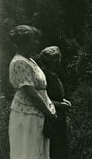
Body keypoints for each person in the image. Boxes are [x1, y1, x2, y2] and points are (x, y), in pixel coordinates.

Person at [8, 25, 57, 159]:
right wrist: (48, 112)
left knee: (39, 153)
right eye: (34, 39)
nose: (37, 43)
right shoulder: (18, 62)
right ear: (24, 42)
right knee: (28, 152)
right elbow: (32, 94)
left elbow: (41, 90)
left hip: (37, 114)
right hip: (26, 115)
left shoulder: (30, 61)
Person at [40, 46, 71, 159]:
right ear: (50, 61)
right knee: (54, 148)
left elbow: (56, 95)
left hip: (59, 116)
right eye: (56, 59)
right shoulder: (44, 77)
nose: (59, 62)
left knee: (61, 147)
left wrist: (63, 101)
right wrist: (60, 105)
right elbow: (43, 98)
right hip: (51, 117)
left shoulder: (55, 75)